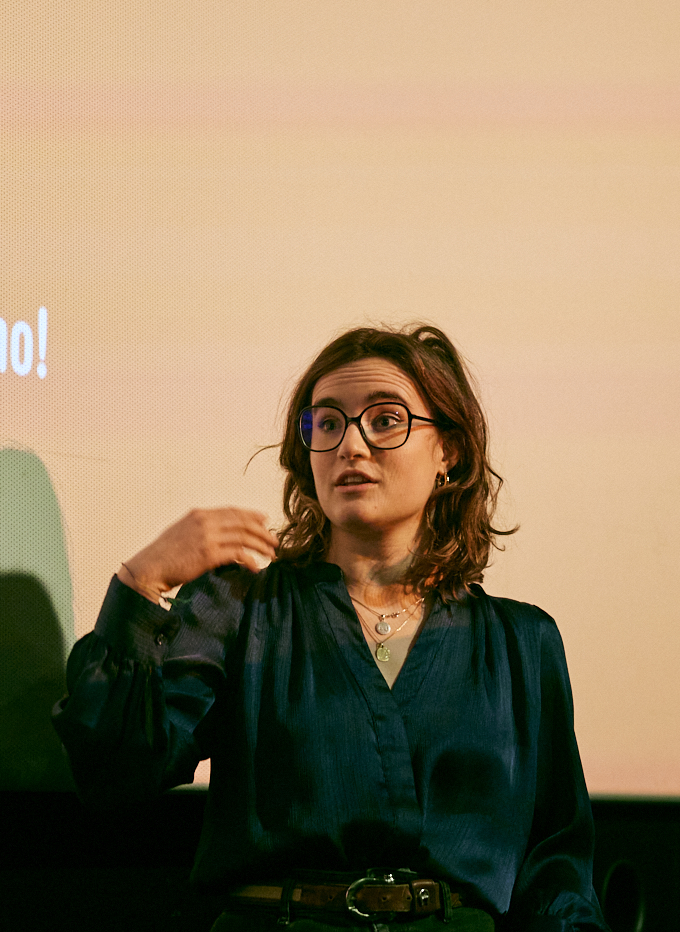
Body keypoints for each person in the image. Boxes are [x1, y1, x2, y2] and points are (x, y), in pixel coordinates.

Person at [54, 323, 607, 931]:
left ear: (448, 451)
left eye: (386, 420)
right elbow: (118, 776)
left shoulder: (520, 643)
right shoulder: (241, 607)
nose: (351, 445)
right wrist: (143, 579)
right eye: (327, 423)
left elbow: (556, 869)